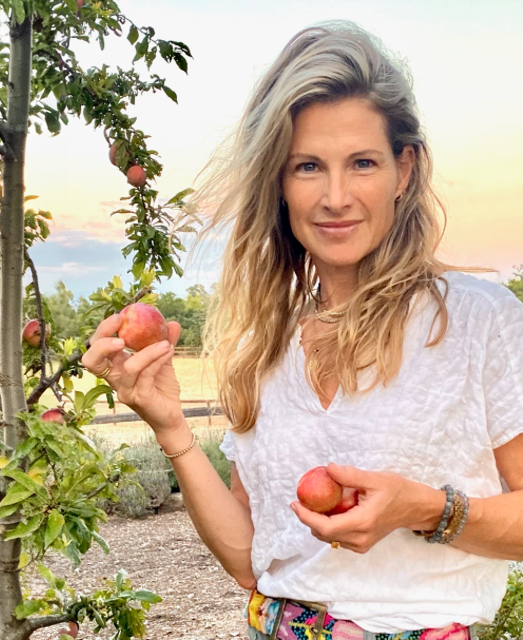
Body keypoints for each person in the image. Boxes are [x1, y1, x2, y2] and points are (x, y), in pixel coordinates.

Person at [80, 21, 523, 640]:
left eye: (362, 162)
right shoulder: (261, 341)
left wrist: (425, 509)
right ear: (279, 183)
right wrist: (170, 425)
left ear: (405, 168)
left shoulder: (480, 320)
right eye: (308, 166)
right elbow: (251, 560)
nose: (335, 196)